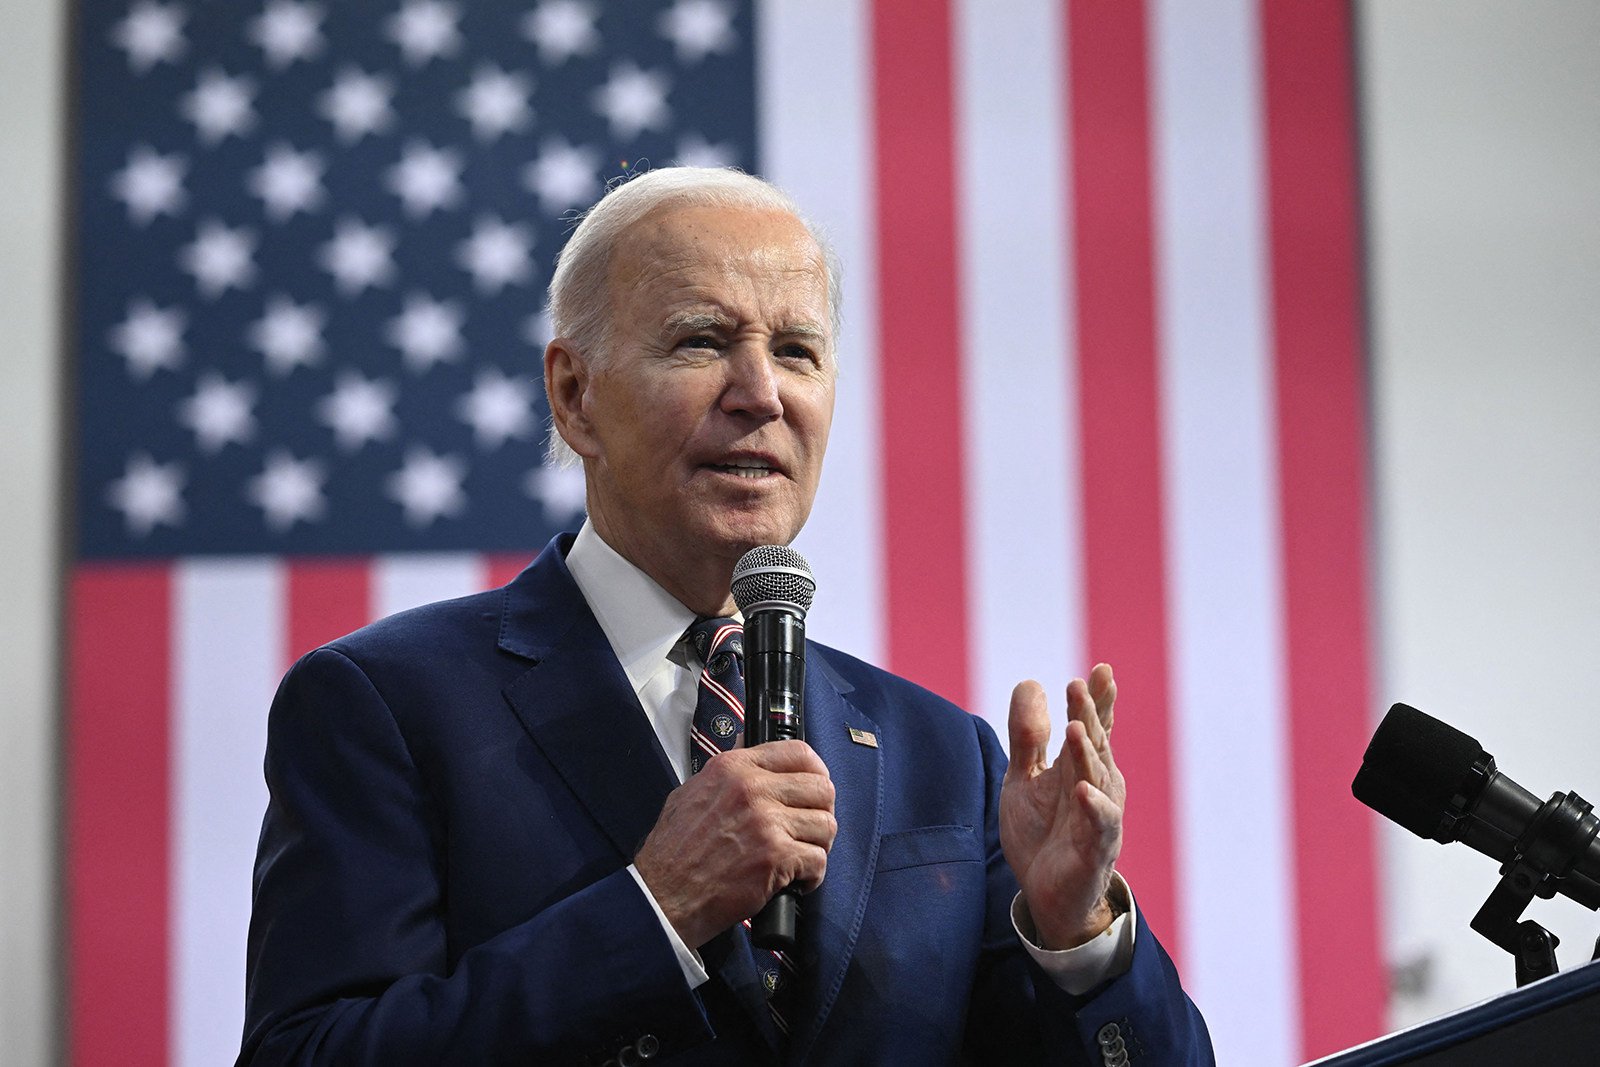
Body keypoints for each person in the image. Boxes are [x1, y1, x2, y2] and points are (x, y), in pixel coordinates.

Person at [240, 167, 1213, 1065]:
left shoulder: (944, 757)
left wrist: (1076, 938)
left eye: (796, 350)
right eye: (702, 340)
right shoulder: (386, 705)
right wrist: (654, 908)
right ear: (575, 396)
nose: (761, 395)